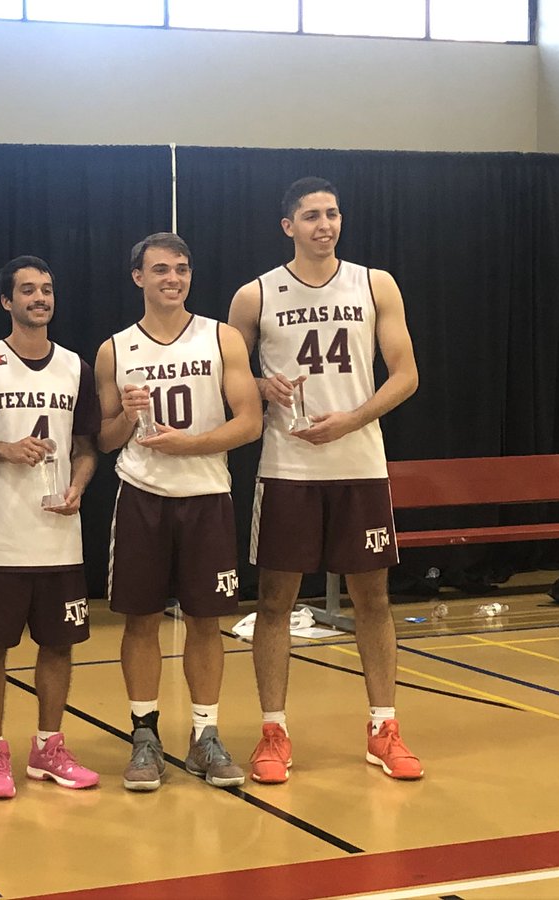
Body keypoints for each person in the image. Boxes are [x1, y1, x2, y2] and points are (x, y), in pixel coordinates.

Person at [227, 176, 422, 783]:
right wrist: (260, 385)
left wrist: (351, 420)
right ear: (288, 226)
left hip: (359, 464)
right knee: (276, 601)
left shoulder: (374, 283)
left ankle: (383, 727)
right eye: (311, 216)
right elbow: (231, 380)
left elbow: (406, 374)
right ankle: (273, 731)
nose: (324, 225)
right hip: (287, 467)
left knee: (373, 600)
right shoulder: (255, 295)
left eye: (333, 214)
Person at [94, 233, 262, 792]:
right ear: (137, 276)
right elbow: (105, 436)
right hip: (140, 495)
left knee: (205, 622)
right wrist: (129, 418)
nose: (173, 278)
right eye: (161, 269)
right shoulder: (115, 349)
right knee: (140, 620)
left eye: (182, 269)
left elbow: (250, 421)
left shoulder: (222, 338)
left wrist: (190, 444)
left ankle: (205, 736)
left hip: (207, 495)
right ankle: (144, 737)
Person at [0, 256, 101, 799]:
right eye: (28, 290)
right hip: (2, 538)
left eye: (47, 290)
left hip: (60, 536)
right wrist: (2, 450)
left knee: (59, 646)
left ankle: (48, 748)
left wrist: (79, 484)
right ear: (6, 302)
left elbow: (86, 447)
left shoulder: (76, 366)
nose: (40, 298)